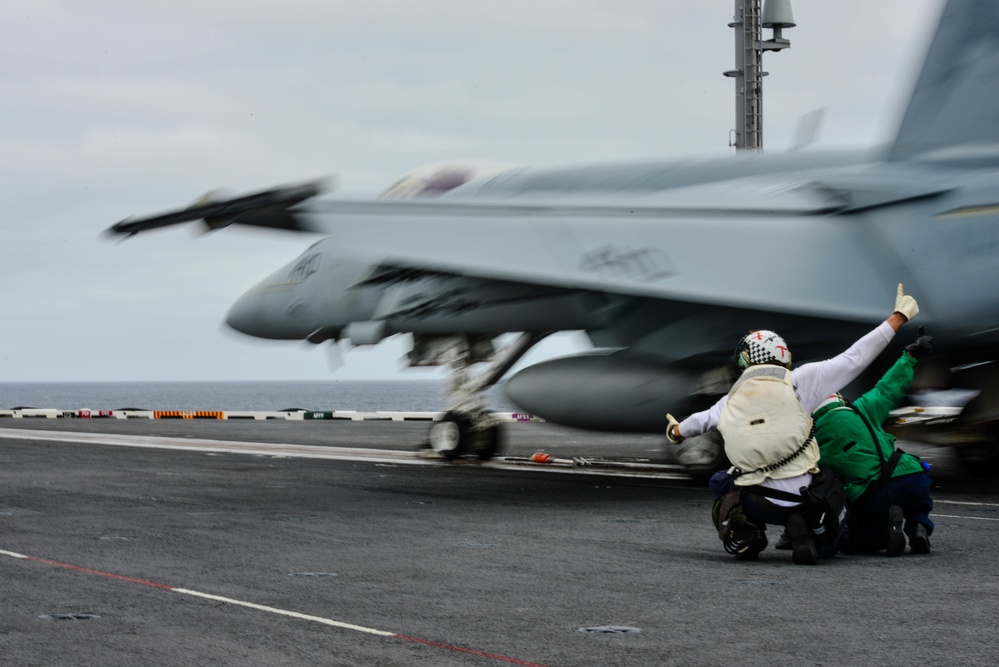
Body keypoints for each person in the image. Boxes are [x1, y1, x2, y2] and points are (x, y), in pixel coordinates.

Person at [666, 284, 919, 565]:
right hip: (805, 498)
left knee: (719, 480)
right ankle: (815, 533)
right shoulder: (802, 381)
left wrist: (675, 431)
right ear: (783, 354)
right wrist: (898, 317)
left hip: (757, 501)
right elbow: (856, 357)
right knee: (831, 480)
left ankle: (751, 535)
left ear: (746, 359)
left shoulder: (729, 400)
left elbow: (696, 424)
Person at [809, 329, 935, 556]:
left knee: (862, 541)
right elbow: (889, 387)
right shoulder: (863, 408)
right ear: (839, 399)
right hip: (911, 478)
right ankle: (918, 525)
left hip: (871, 495)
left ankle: (885, 532)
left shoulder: (813, 437)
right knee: (919, 498)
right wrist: (909, 356)